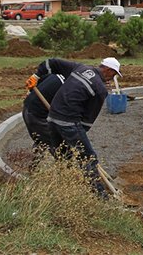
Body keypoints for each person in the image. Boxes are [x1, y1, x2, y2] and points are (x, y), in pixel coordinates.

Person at [25, 57, 122, 198]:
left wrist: (36, 76)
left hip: (52, 118)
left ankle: (66, 189)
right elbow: (87, 121)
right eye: (113, 75)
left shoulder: (81, 68)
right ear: (108, 70)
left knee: (63, 156)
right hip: (69, 123)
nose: (112, 79)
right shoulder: (100, 89)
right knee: (88, 158)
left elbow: (51, 63)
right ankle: (101, 197)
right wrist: (77, 137)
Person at [22, 73, 65, 165]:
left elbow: (37, 81)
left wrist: (29, 93)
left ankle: (32, 167)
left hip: (27, 109)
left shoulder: (55, 75)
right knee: (58, 145)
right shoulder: (68, 86)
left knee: (42, 140)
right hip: (36, 115)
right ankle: (67, 173)